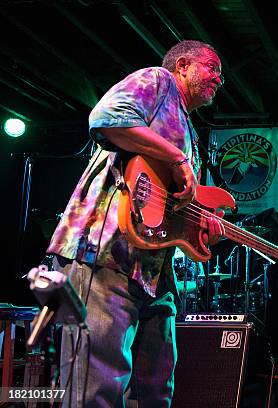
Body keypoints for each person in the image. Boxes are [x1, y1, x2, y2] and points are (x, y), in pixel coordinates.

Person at [46, 40, 225, 407]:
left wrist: (200, 229)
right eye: (212, 68)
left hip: (152, 270)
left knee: (156, 392)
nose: (219, 80)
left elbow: (170, 210)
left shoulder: (189, 129)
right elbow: (105, 118)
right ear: (183, 65)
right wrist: (177, 158)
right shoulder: (158, 81)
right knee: (92, 391)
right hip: (103, 251)